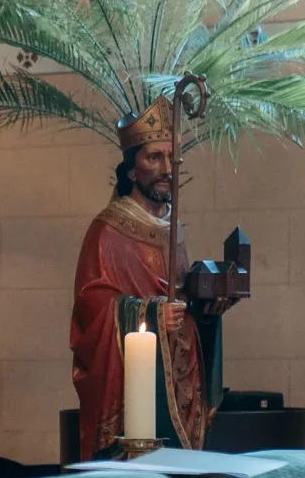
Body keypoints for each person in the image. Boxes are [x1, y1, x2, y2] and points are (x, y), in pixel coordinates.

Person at [69, 97, 239, 457]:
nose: (167, 168)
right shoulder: (108, 229)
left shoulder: (170, 227)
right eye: (154, 158)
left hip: (180, 371)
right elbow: (90, 304)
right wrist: (148, 315)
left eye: (171, 157)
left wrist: (207, 309)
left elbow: (180, 297)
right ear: (132, 170)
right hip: (138, 379)